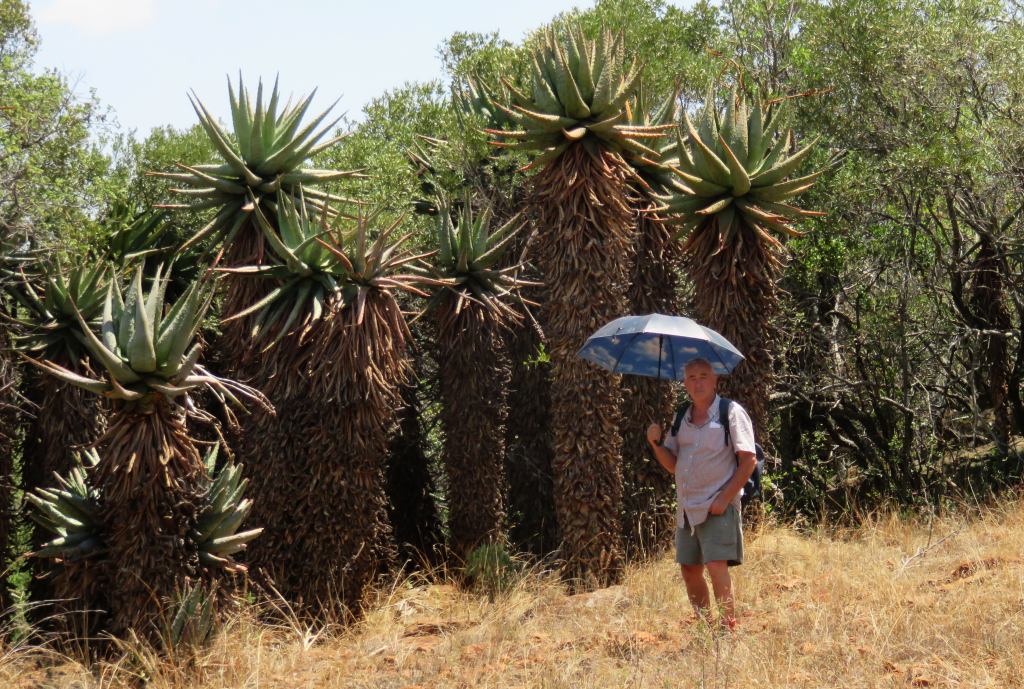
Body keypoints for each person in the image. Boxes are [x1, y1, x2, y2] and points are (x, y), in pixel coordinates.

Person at [646, 358, 758, 631]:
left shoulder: (730, 412)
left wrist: (724, 499)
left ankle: (726, 629)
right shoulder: (681, 415)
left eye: (704, 376)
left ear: (715, 379)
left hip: (716, 505)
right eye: (692, 377)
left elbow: (749, 460)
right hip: (687, 508)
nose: (698, 382)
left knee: (715, 564)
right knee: (689, 568)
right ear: (684, 383)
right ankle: (705, 629)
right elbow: (673, 464)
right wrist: (656, 443)